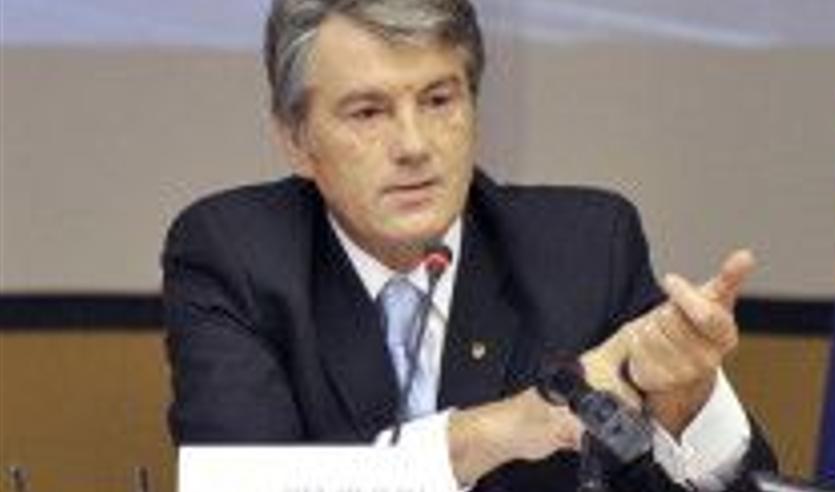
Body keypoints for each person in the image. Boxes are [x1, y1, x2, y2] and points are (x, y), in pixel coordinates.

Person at [162, 0, 777, 490]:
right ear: (296, 140)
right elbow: (240, 482)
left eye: (438, 100)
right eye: (368, 112)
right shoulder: (237, 255)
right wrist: (497, 431)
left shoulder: (586, 249)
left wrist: (685, 399)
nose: (414, 145)